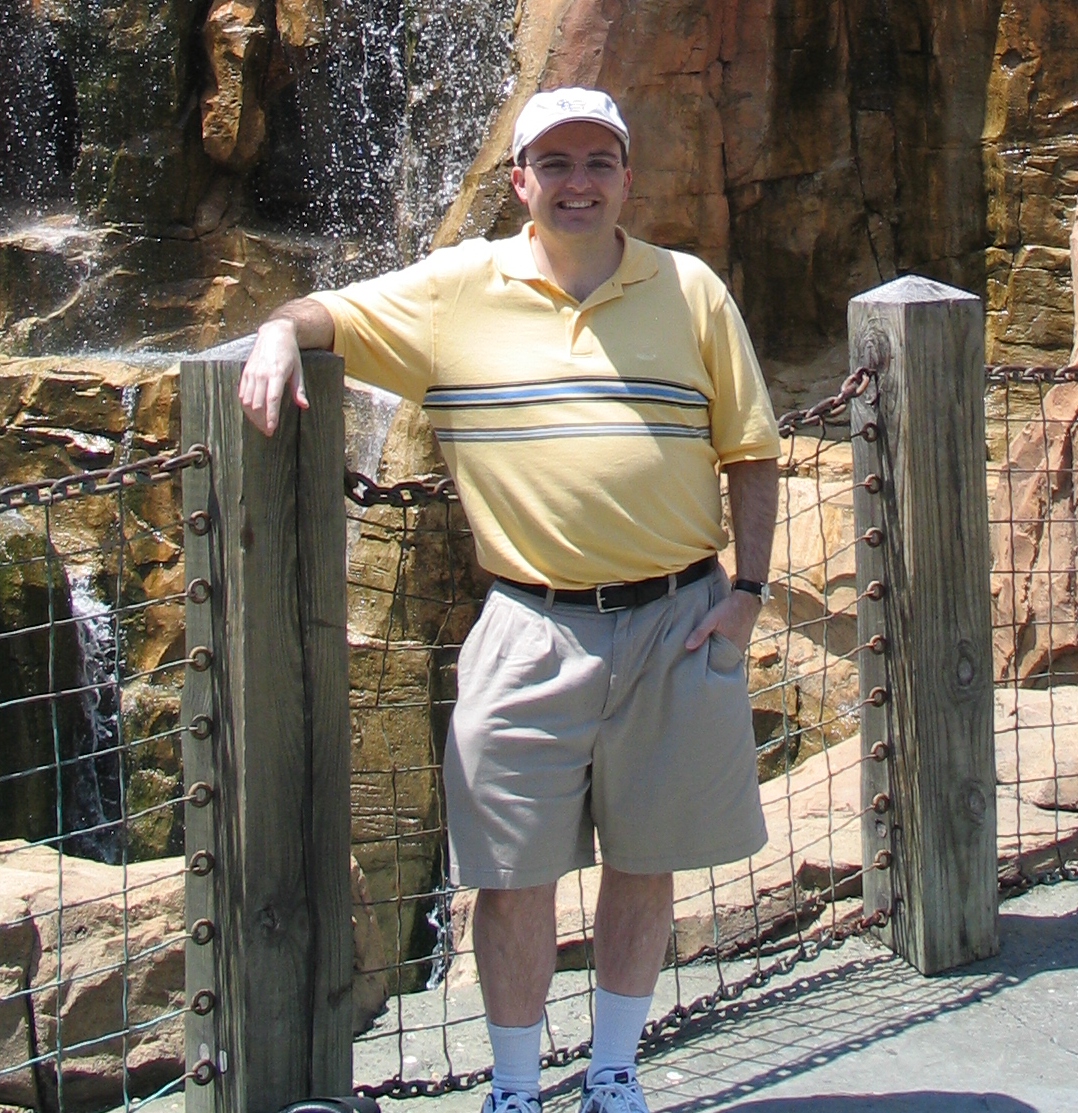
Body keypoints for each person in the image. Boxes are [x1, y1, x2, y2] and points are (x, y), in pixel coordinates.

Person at [237, 87, 781, 1113]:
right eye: (557, 164)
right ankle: (517, 1089)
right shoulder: (457, 289)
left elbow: (750, 451)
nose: (579, 183)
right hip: (529, 623)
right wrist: (275, 334)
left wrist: (746, 594)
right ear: (521, 180)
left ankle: (613, 1074)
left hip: (676, 616)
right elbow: (324, 314)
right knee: (510, 870)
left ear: (626, 178)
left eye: (599, 163)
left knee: (647, 858)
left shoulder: (692, 289)